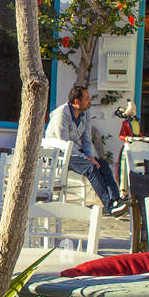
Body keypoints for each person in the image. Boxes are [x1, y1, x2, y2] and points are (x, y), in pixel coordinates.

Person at [45, 85, 126, 216]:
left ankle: (116, 200)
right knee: (91, 168)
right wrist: (85, 158)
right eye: (87, 99)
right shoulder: (62, 114)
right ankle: (110, 206)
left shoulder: (85, 113)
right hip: (59, 154)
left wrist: (91, 156)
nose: (90, 101)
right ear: (77, 102)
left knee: (102, 165)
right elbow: (63, 143)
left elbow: (87, 139)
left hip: (76, 152)